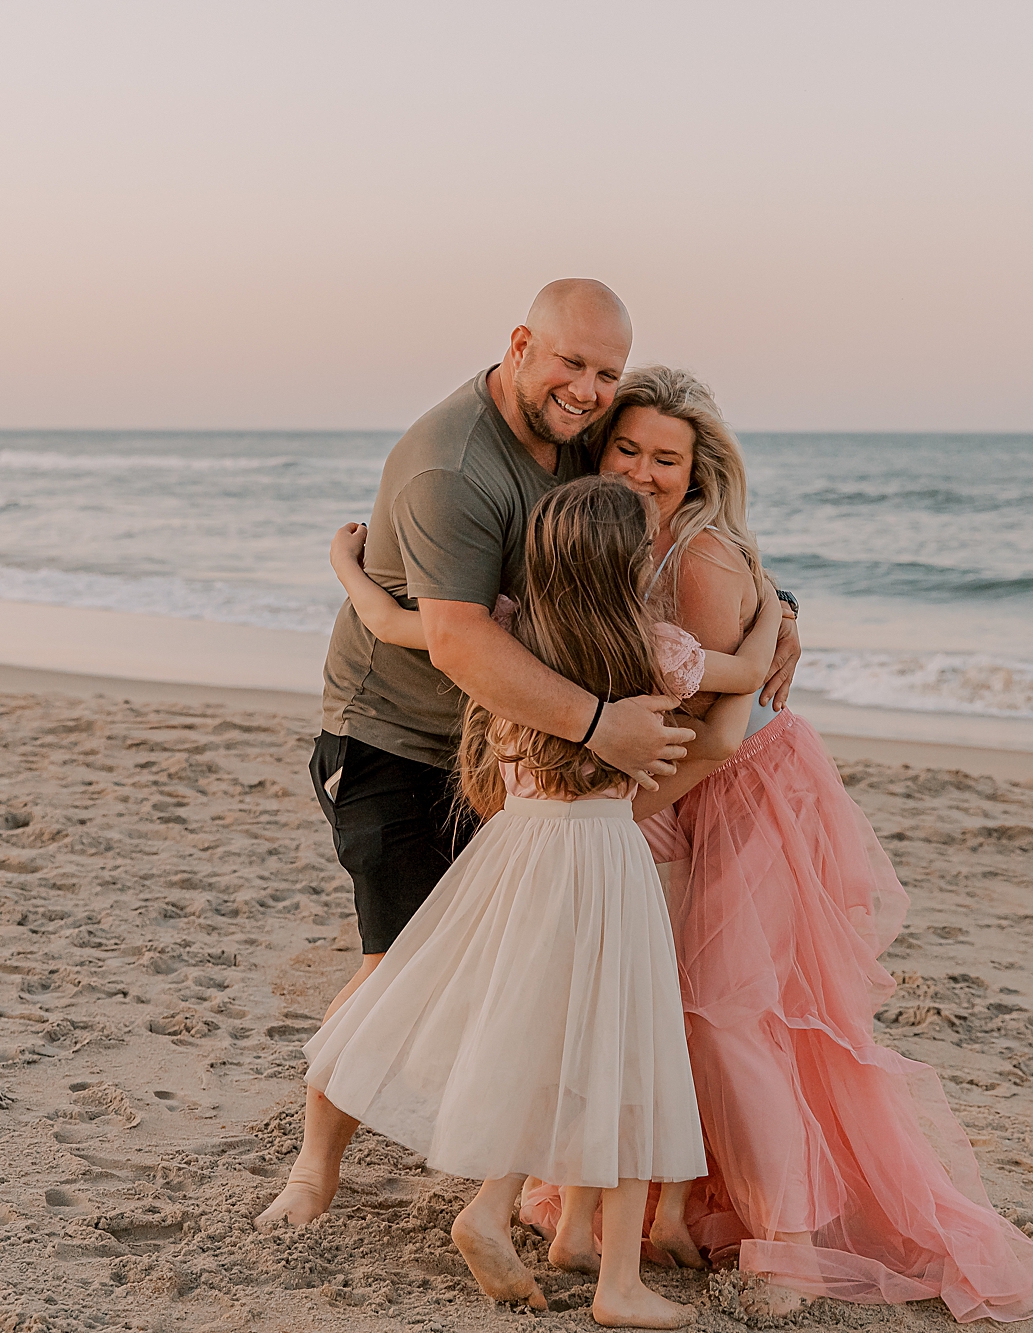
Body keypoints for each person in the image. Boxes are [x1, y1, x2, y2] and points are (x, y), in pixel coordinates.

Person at [254, 280, 803, 1246]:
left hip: (517, 753)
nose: (589, 391)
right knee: (399, 964)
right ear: (519, 345)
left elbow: (665, 503)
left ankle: (510, 1188)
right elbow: (461, 640)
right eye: (571, 364)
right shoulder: (452, 467)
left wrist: (778, 596)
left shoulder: (582, 435)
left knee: (519, 969)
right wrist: (601, 725)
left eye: (606, 372)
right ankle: (317, 1160)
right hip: (404, 738)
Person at [524, 368, 1033, 1324]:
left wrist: (773, 617)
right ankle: (665, 1207)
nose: (643, 471)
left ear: (698, 469)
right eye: (627, 450)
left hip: (747, 787)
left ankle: (790, 1250)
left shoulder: (702, 558)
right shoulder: (616, 542)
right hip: (676, 788)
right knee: (671, 1010)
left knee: (730, 1012)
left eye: (666, 458)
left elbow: (732, 710)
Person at [305, 477, 781, 1327]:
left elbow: (389, 623)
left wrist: (346, 561)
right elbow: (741, 676)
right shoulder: (659, 647)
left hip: (514, 852)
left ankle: (495, 1209)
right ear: (633, 564)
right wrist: (777, 608)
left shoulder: (511, 635)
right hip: (602, 856)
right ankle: (618, 1283)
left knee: (538, 1036)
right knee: (629, 1053)